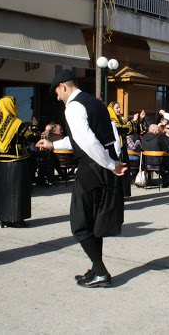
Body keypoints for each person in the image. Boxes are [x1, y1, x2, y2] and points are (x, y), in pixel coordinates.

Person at [36, 69, 127, 288]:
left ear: (64, 87)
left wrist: (109, 164)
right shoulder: (94, 102)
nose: (57, 98)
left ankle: (101, 271)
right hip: (102, 163)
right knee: (93, 221)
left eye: (57, 92)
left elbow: (87, 142)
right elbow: (84, 138)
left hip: (93, 166)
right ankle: (97, 269)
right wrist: (53, 145)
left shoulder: (74, 107)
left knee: (80, 222)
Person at [0, 96, 41, 227]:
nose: (17, 107)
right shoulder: (16, 123)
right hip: (16, 162)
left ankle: (4, 217)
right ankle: (17, 218)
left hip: (1, 163)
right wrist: (35, 125)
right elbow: (32, 136)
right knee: (17, 191)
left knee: (3, 191)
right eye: (15, 105)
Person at [107, 101, 145, 198]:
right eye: (117, 108)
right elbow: (124, 129)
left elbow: (133, 130)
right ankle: (116, 195)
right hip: (115, 150)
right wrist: (133, 121)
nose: (119, 110)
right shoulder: (111, 121)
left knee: (124, 172)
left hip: (122, 149)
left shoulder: (121, 120)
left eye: (119, 107)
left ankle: (123, 194)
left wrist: (139, 119)